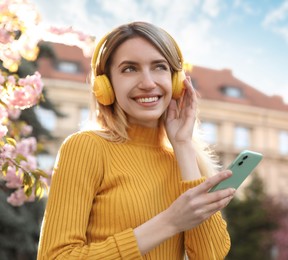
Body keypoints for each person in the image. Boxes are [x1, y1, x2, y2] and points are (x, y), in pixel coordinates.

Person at [37, 21, 235, 259]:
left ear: (175, 80)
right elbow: (55, 256)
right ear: (106, 85)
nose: (148, 83)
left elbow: (209, 256)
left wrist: (183, 145)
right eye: (130, 69)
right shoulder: (85, 147)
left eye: (159, 67)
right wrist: (169, 223)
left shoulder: (183, 162)